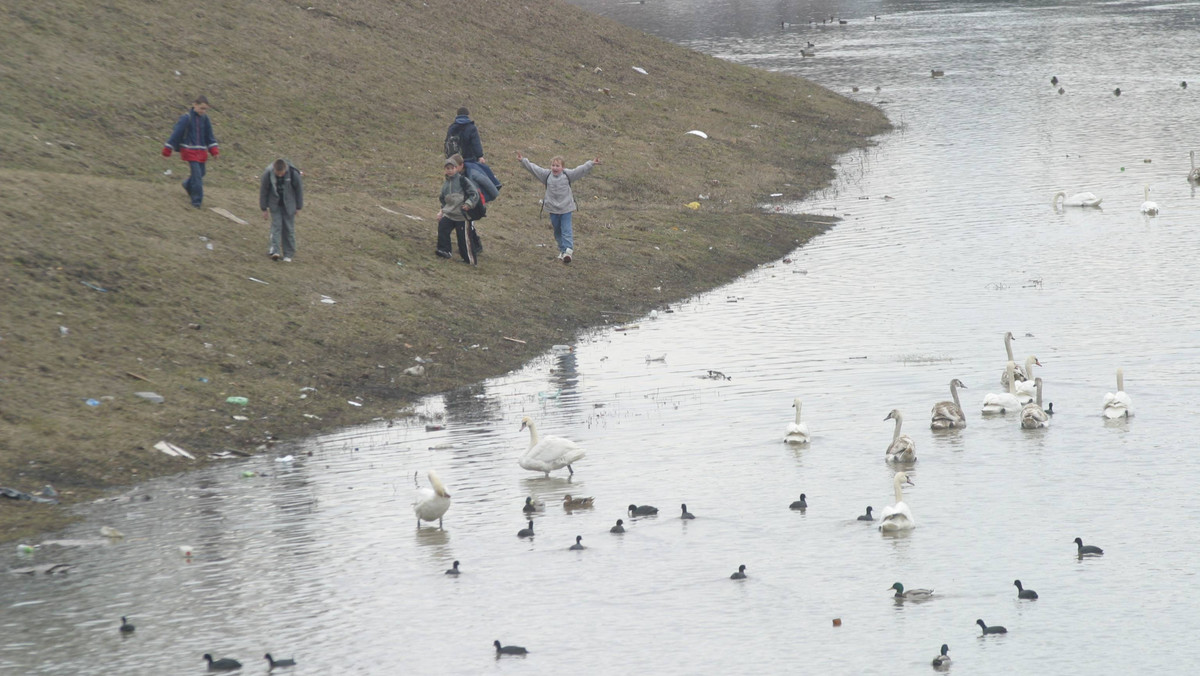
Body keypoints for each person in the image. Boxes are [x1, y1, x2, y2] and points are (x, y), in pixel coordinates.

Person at [516, 152, 601, 264]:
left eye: (558, 166)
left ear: (563, 167)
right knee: (557, 231)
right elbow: (533, 168)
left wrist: (591, 163)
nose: (555, 168)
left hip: (566, 208)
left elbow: (580, 170)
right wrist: (523, 160)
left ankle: (568, 251)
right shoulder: (545, 175)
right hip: (552, 209)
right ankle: (562, 250)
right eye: (553, 165)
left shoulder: (568, 175)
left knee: (566, 230)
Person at [162, 95, 219, 208]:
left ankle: (187, 184)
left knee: (202, 173)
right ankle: (197, 201)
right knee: (197, 176)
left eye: (205, 109)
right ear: (195, 105)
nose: (203, 111)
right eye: (202, 108)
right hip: (189, 151)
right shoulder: (186, 118)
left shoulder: (205, 119)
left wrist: (214, 150)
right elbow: (176, 134)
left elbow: (209, 136)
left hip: (201, 152)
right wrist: (168, 148)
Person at [436, 157, 482, 265]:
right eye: (447, 168)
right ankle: (444, 251)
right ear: (445, 170)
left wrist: (468, 204)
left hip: (462, 216)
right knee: (442, 227)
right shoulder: (445, 185)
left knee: (464, 240)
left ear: (456, 168)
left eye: (452, 168)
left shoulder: (463, 180)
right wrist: (442, 211)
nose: (450, 170)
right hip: (449, 214)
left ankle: (469, 260)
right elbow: (442, 199)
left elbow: (474, 194)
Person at [258, 159, 304, 262]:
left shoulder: (293, 174)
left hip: (290, 206)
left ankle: (288, 254)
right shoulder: (267, 174)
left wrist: (298, 207)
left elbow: (299, 190)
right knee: (276, 227)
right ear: (274, 169)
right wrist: (264, 208)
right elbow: (264, 191)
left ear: (285, 169)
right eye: (277, 174)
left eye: (281, 174)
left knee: (289, 229)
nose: (279, 176)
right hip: (275, 205)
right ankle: (275, 251)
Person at [446, 107, 501, 191]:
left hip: (455, 160)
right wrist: (480, 156)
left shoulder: (452, 128)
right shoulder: (471, 127)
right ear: (467, 115)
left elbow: (447, 143)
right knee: (482, 172)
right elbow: (476, 143)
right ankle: (494, 186)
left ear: (457, 115)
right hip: (469, 159)